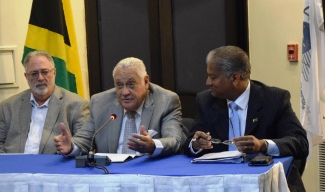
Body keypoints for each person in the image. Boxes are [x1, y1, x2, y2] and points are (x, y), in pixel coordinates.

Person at [183, 46, 308, 192]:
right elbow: (189, 143)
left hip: (265, 184)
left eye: (214, 77)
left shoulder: (274, 99)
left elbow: (300, 143)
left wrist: (263, 145)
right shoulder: (206, 100)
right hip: (220, 183)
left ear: (235, 78)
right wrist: (196, 144)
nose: (208, 82)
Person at [54, 57, 183, 157]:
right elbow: (85, 139)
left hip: (148, 174)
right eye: (119, 85)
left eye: (131, 84)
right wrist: (71, 146)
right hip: (110, 176)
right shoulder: (100, 103)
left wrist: (153, 145)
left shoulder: (166, 101)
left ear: (146, 82)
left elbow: (175, 140)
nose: (125, 92)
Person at [0, 50, 89, 154]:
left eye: (45, 72)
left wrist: (70, 148)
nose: (40, 78)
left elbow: (85, 142)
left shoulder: (77, 105)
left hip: (55, 167)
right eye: (34, 74)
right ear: (26, 76)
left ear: (54, 73)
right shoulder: (7, 107)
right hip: (14, 167)